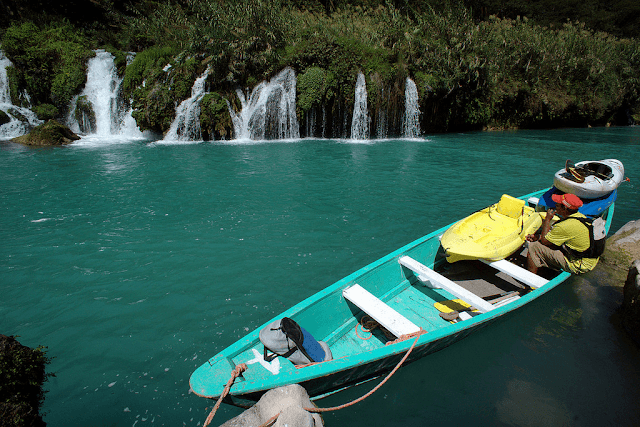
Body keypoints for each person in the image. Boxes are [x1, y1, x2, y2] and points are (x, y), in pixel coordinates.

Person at [525, 193, 599, 275]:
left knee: (534, 246)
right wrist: (538, 237)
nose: (555, 205)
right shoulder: (580, 217)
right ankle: (545, 264)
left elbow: (544, 241)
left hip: (579, 264)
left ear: (565, 208)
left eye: (558, 205)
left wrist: (547, 219)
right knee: (548, 242)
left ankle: (530, 281)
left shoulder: (565, 226)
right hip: (588, 259)